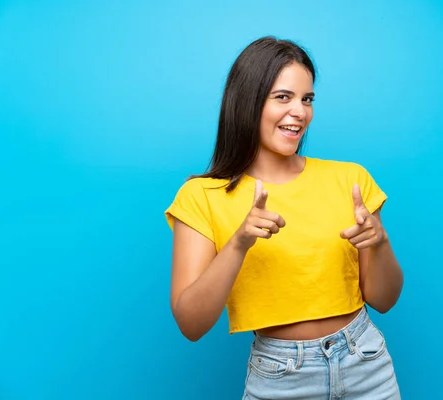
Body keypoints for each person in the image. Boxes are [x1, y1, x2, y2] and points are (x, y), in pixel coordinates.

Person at [164, 36, 404, 399]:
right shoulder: (202, 196)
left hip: (365, 361)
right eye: (283, 97)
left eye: (307, 99)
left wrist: (380, 242)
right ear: (247, 101)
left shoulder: (350, 180)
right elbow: (191, 324)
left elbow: (384, 300)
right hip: (280, 376)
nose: (300, 112)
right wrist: (239, 242)